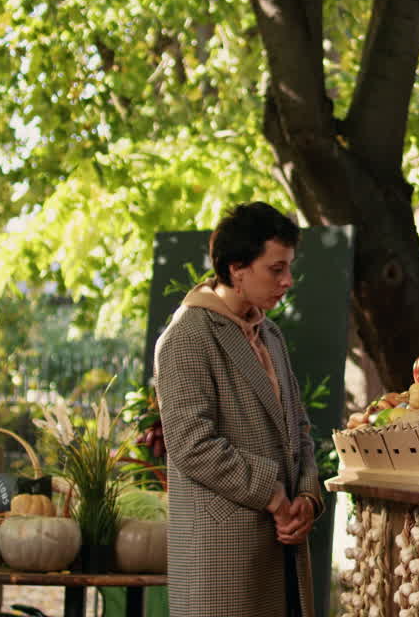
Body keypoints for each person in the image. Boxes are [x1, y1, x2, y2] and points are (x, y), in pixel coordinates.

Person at [155, 202, 322, 617]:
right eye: (276, 269)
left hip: (282, 552)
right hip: (222, 560)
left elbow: (299, 428)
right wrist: (274, 495)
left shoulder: (271, 334)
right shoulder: (187, 336)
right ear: (236, 269)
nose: (287, 281)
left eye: (289, 268)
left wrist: (307, 496)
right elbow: (191, 444)